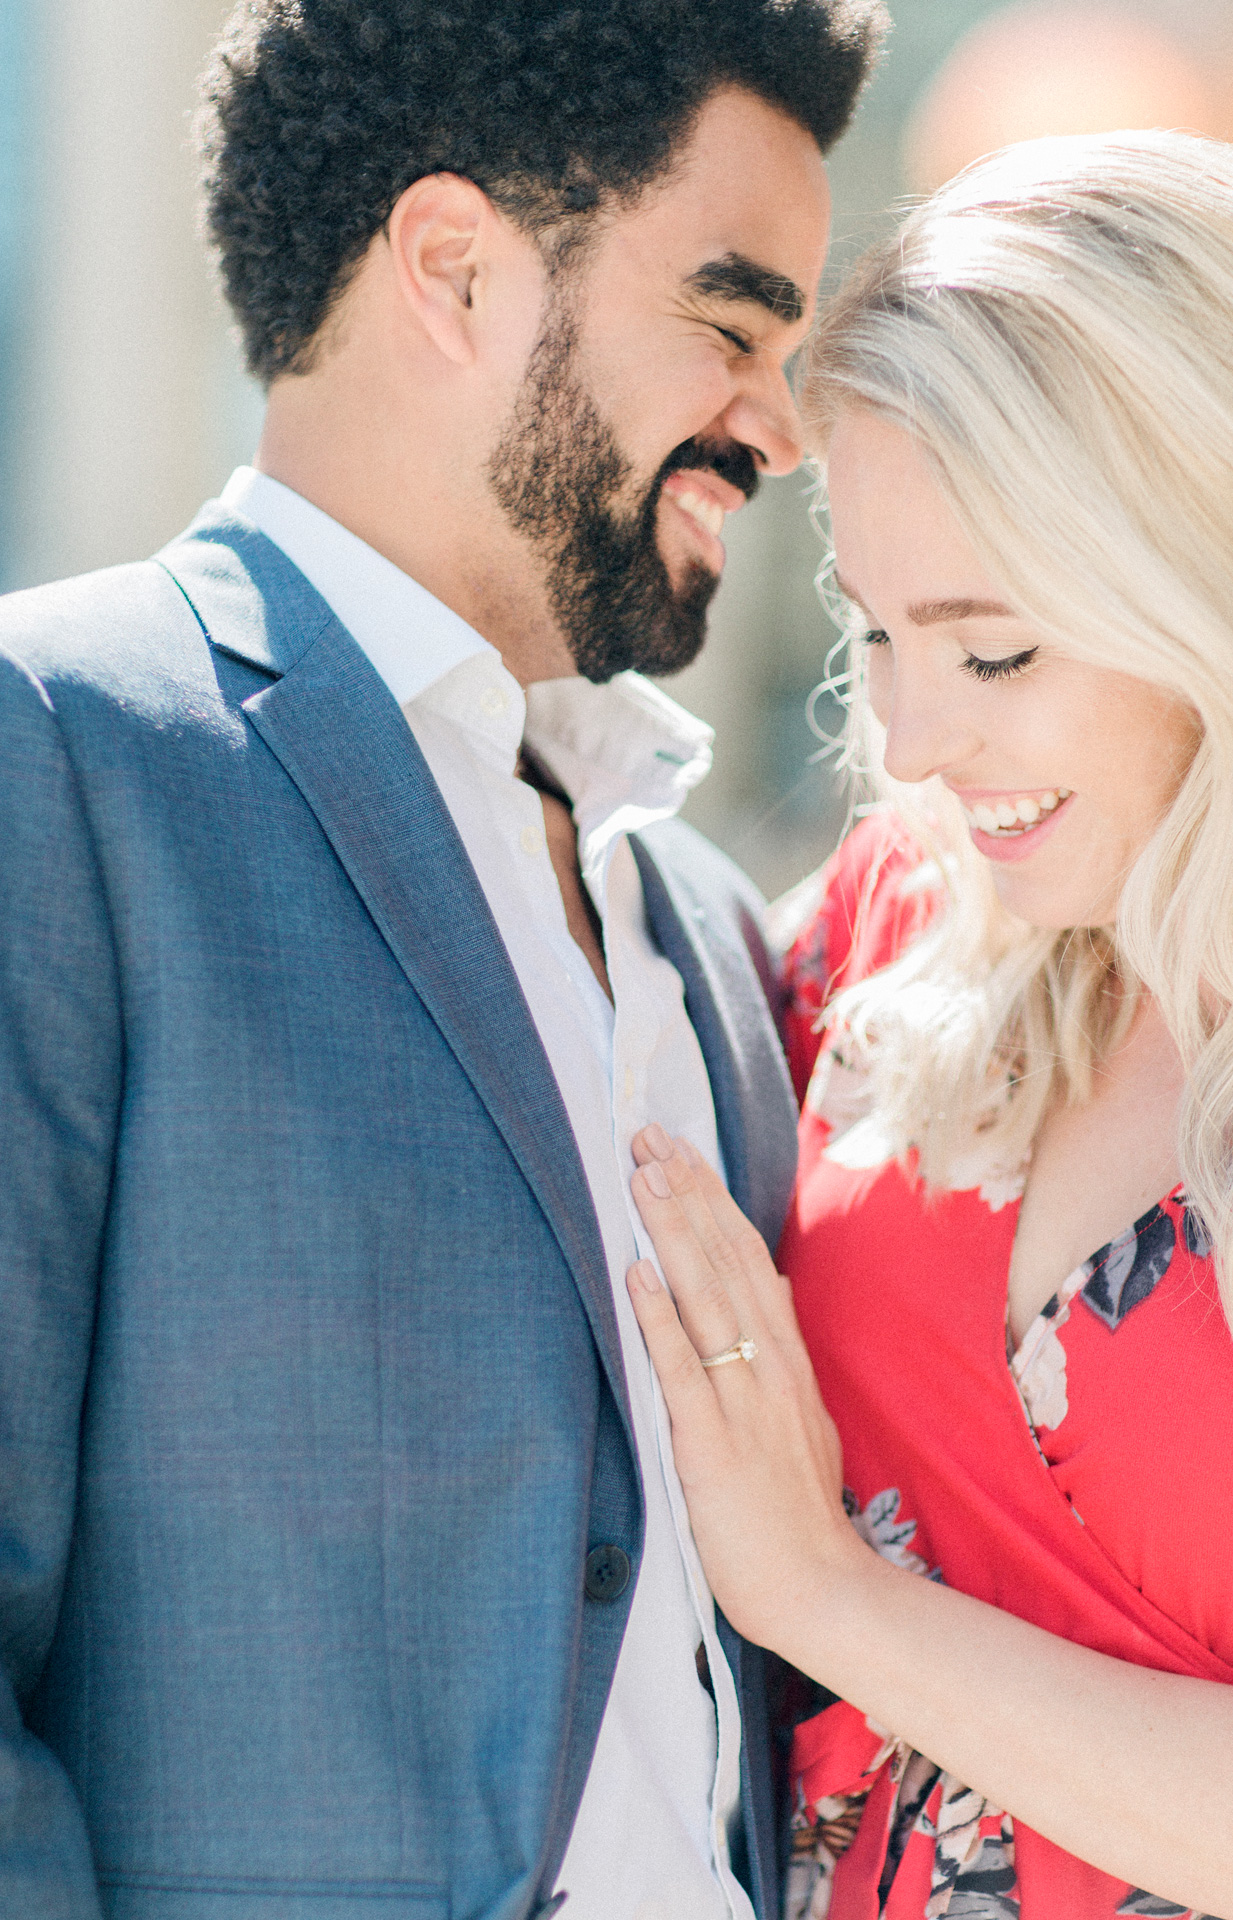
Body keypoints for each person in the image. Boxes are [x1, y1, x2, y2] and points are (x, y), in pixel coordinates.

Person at [0, 3, 889, 1916]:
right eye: (732, 328)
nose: (783, 426)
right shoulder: (52, 749)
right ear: (456, 269)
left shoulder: (718, 941)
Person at [621, 131, 1233, 1920]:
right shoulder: (882, 938)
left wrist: (830, 1598)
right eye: (879, 637)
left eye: (990, 655)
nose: (913, 744)